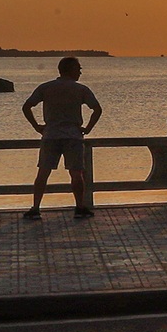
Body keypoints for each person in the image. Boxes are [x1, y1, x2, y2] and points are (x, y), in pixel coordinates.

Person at [20, 56, 102, 219]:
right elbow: (97, 109)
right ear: (70, 69)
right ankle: (79, 207)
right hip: (73, 135)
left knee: (43, 172)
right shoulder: (81, 89)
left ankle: (35, 208)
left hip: (51, 134)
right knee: (76, 173)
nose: (80, 72)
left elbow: (27, 106)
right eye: (78, 69)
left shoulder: (46, 87)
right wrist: (88, 128)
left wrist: (37, 127)